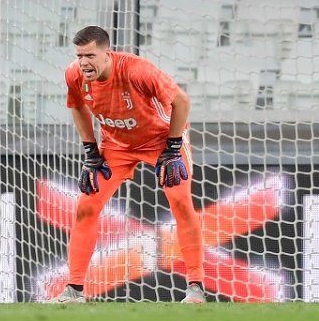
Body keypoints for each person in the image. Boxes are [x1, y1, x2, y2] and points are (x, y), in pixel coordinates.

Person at [49, 25, 205, 303]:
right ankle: (74, 290)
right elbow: (76, 106)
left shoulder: (137, 70)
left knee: (181, 202)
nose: (84, 62)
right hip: (116, 146)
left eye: (90, 55)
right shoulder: (74, 74)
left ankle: (196, 288)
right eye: (80, 55)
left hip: (161, 141)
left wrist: (172, 146)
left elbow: (181, 101)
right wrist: (90, 150)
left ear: (107, 54)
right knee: (86, 207)